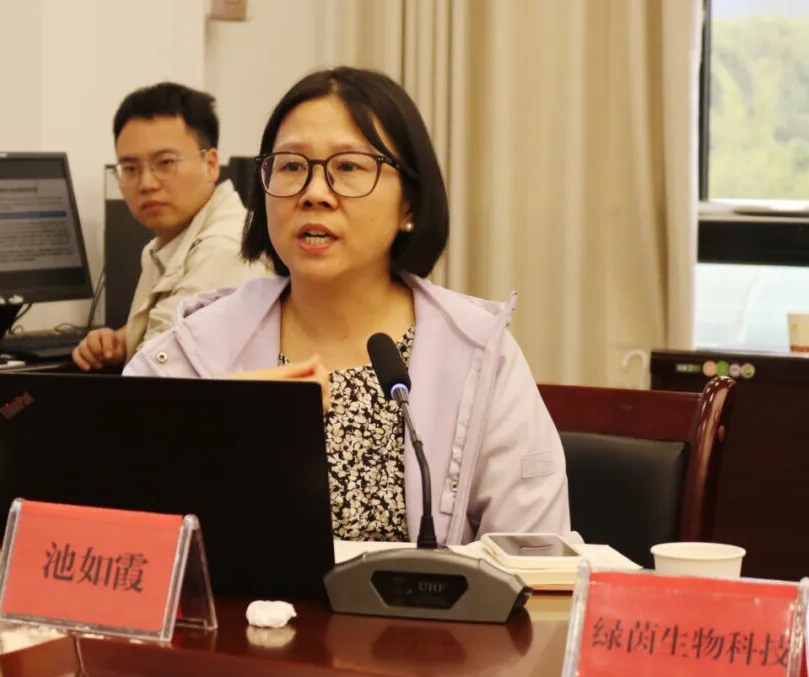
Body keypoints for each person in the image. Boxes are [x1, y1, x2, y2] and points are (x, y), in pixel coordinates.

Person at [124, 67, 569, 546]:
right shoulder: (192, 351)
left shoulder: (479, 355)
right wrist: (218, 426)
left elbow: (536, 555)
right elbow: (118, 530)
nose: (314, 193)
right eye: (291, 166)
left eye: (350, 167)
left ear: (410, 204)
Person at [72, 82, 269, 370]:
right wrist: (122, 341)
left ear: (211, 164)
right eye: (130, 168)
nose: (146, 183)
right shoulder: (168, 244)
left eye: (165, 163)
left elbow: (158, 377)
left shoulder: (224, 249)